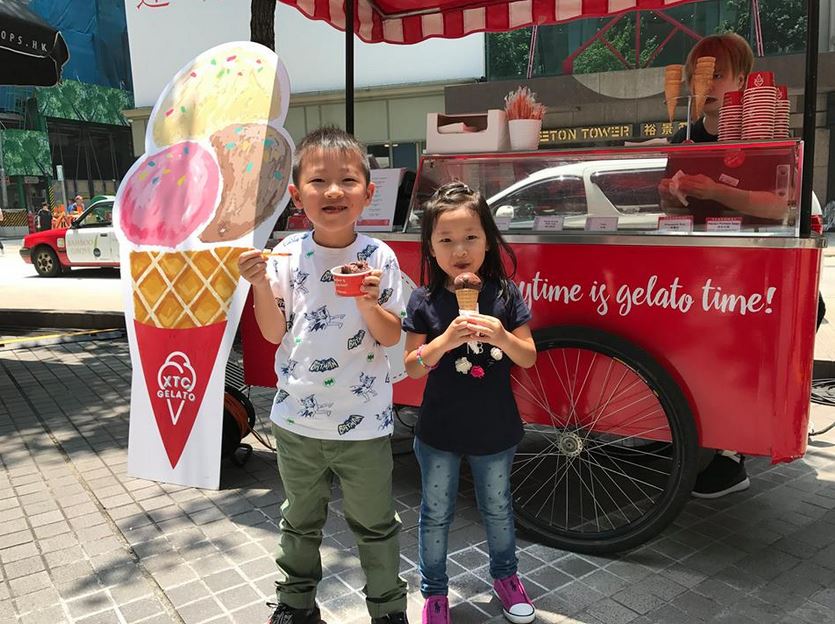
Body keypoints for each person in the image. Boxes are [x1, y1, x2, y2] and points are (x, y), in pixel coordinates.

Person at [237, 126, 409, 624]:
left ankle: (387, 610)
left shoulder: (380, 258)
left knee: (376, 524)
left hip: (365, 422)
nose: (333, 191)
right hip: (296, 422)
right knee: (298, 520)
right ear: (297, 195)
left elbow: (391, 336)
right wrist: (258, 286)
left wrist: (369, 300)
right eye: (318, 181)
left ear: (368, 192)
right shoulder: (287, 254)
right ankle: (295, 605)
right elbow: (274, 333)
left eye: (347, 180)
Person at [402, 182, 538, 624]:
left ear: (488, 241)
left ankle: (506, 577)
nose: (459, 250)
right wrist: (444, 340)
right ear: (431, 247)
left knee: (497, 507)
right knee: (435, 513)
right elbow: (413, 366)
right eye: (446, 240)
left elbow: (528, 357)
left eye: (471, 238)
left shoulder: (506, 295)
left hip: (495, 428)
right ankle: (435, 593)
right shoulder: (424, 300)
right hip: (439, 430)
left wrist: (499, 334)